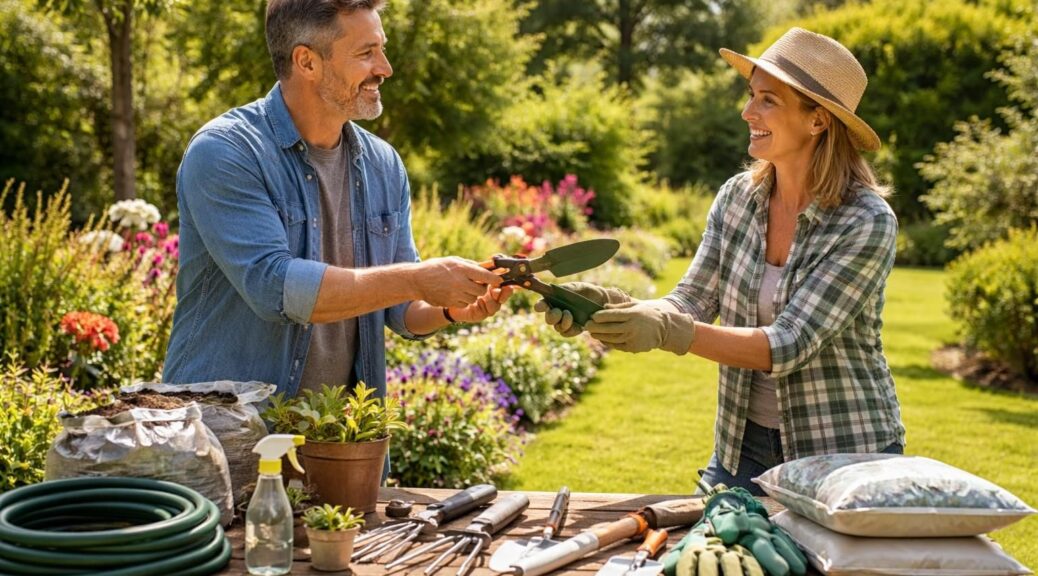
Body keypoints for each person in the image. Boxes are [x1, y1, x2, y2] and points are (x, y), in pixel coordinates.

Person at [537, 28, 906, 494]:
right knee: (704, 544)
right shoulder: (738, 198)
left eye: (768, 100)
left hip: (842, 452)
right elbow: (693, 297)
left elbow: (789, 343)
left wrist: (669, 332)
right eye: (752, 95)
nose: (748, 111)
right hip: (742, 447)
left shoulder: (866, 221)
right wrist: (620, 308)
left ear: (817, 120)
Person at [164, 0, 510, 399]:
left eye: (382, 49)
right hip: (225, 424)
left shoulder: (383, 164)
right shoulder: (227, 151)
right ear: (307, 62)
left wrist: (450, 308)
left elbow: (400, 307)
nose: (385, 68)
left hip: (338, 428)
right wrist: (416, 279)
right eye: (366, 53)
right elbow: (274, 286)